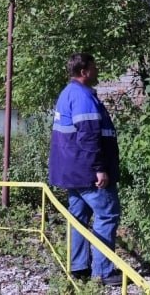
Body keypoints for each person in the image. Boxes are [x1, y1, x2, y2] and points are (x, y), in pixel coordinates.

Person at [48, 53, 122, 286]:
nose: (97, 70)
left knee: (78, 218)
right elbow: (89, 136)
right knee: (107, 214)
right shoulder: (82, 97)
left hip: (71, 172)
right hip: (87, 172)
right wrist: (99, 169)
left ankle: (78, 267)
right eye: (94, 67)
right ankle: (104, 271)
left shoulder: (67, 93)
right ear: (84, 72)